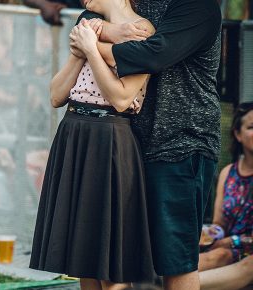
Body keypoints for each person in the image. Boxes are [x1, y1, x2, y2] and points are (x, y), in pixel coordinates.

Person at [72, 0, 222, 289]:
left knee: (175, 259)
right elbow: (83, 24)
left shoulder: (198, 6)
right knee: (102, 254)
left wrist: (93, 46)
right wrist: (110, 33)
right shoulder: (120, 2)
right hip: (123, 144)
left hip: (180, 146)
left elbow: (154, 55)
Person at [30, 0, 156, 289]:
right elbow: (56, 96)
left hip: (110, 137)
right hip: (74, 133)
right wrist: (81, 49)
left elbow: (122, 98)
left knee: (108, 260)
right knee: (82, 256)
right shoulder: (87, 23)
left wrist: (90, 48)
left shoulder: (144, 28)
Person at [198, 102, 253, 272]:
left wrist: (232, 242)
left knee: (219, 255)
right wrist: (205, 234)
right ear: (238, 134)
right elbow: (219, 224)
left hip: (244, 255)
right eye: (251, 127)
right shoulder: (228, 173)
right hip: (224, 250)